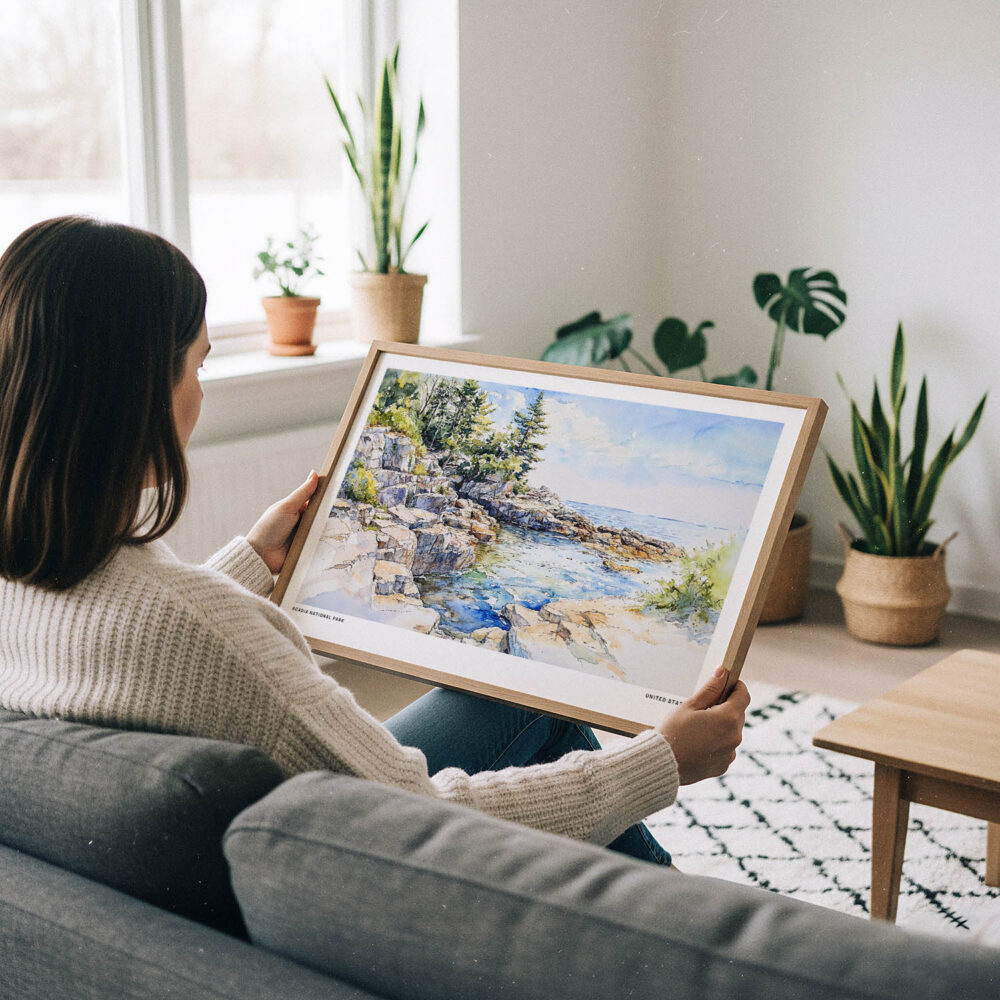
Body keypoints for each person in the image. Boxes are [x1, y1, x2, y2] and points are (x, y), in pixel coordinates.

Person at [0, 216, 749, 866]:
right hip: (360, 861)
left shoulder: (27, 580)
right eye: (198, 365)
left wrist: (249, 564)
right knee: (546, 716)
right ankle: (695, 937)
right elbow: (418, 817)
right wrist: (660, 761)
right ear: (135, 394)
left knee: (508, 697)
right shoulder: (207, 630)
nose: (203, 392)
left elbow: (139, 637)